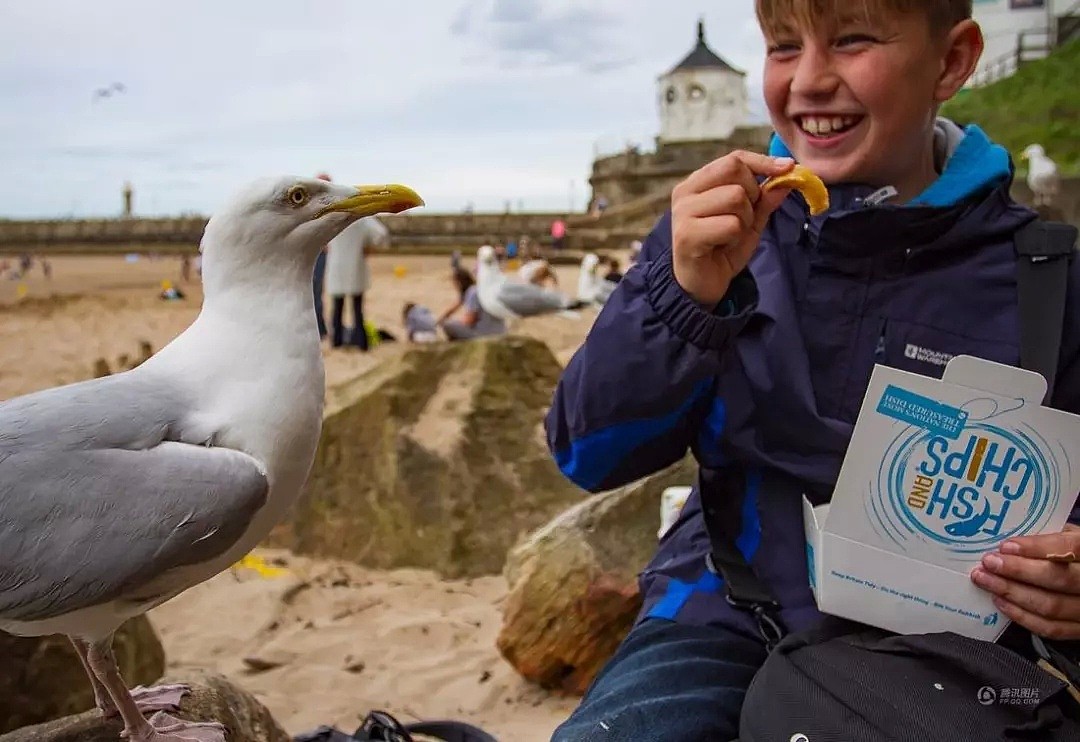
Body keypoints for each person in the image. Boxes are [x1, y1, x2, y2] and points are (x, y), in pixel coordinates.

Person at [545, 1, 1080, 740]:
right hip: (723, 610)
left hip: (949, 646)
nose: (809, 81)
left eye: (852, 40)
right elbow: (587, 451)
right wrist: (686, 298)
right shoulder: (712, 240)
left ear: (952, 62)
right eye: (782, 46)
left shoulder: (1047, 277)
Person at [325, 213, 388, 350]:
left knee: (337, 307)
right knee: (357, 308)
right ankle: (361, 341)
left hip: (337, 265)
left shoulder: (332, 217)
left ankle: (337, 341)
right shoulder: (361, 217)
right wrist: (368, 247)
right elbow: (381, 233)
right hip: (355, 264)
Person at [438, 267, 506, 341]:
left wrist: (454, 322)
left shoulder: (472, 292)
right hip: (500, 331)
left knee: (448, 326)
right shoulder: (479, 289)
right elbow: (454, 307)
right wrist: (442, 318)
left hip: (484, 334)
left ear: (459, 283)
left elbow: (470, 320)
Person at [312, 172, 333, 340]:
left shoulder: (332, 207)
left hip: (322, 254)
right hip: (316, 253)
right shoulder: (313, 207)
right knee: (313, 292)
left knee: (317, 292)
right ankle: (320, 329)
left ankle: (321, 329)